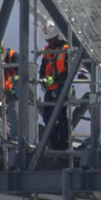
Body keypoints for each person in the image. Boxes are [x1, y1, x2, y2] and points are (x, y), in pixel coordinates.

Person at [39, 20, 70, 150]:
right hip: (50, 89)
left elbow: (69, 71)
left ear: (57, 36)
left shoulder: (66, 49)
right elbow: (43, 67)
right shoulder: (47, 50)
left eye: (51, 39)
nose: (49, 42)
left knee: (62, 118)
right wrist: (43, 79)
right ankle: (53, 145)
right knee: (47, 117)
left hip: (62, 87)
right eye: (48, 40)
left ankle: (63, 146)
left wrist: (55, 79)